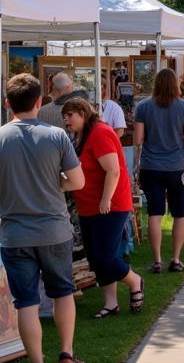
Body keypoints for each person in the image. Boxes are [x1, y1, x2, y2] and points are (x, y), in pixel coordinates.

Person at [0, 73, 88, 363]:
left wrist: (6, 185)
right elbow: (77, 182)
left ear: (7, 103)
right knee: (62, 292)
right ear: (40, 102)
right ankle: (66, 353)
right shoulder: (56, 136)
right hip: (53, 229)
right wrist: (55, 183)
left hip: (16, 233)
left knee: (26, 302)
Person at [61, 97, 143, 318]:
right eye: (65, 117)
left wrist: (106, 199)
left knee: (105, 257)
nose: (67, 120)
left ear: (82, 112)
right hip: (89, 206)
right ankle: (110, 303)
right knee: (96, 257)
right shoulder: (83, 135)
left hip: (110, 206)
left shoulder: (99, 132)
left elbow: (113, 170)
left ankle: (134, 280)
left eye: (70, 115)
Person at [133, 68, 184, 273]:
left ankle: (157, 260)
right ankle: (176, 259)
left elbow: (138, 140)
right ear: (175, 85)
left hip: (151, 166)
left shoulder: (143, 107)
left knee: (155, 212)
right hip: (177, 167)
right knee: (179, 214)